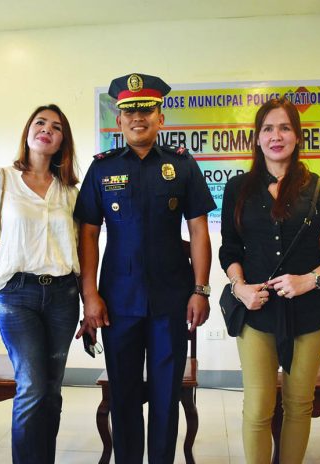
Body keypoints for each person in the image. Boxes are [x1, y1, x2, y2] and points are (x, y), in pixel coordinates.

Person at [74, 73, 216, 464]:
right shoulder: (101, 169)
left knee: (167, 395)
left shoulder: (183, 166)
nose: (138, 118)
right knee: (124, 394)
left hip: (172, 300)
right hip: (117, 301)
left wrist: (200, 290)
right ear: (118, 122)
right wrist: (90, 296)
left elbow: (200, 232)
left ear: (161, 119)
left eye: (147, 110)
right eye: (129, 111)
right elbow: (87, 237)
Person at [219, 97, 320, 464]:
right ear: (257, 137)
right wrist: (239, 288)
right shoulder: (238, 189)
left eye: (284, 128)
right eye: (268, 128)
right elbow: (229, 251)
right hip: (256, 310)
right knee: (258, 407)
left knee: (299, 403)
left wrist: (309, 280)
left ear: (297, 137)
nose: (276, 136)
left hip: (310, 313)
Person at [0, 104, 80, 464]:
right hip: (17, 295)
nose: (47, 129)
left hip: (64, 296)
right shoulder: (0, 179)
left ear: (62, 141)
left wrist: (91, 300)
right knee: (31, 387)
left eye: (56, 127)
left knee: (52, 391)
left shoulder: (69, 191)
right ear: (28, 131)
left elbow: (83, 249)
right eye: (40, 122)